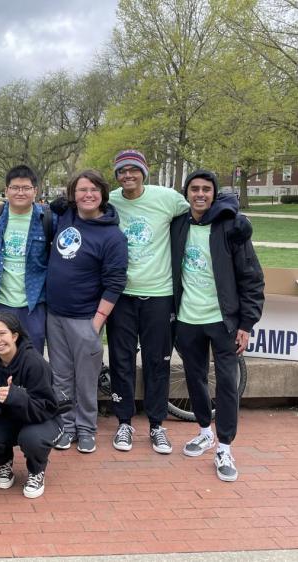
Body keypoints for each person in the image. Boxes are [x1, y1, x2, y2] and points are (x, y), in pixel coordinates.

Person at [171, 170, 264, 482]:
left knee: (226, 383)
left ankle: (225, 446)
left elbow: (251, 278)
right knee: (194, 378)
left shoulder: (230, 227)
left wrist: (247, 323)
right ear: (187, 193)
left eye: (206, 190)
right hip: (187, 319)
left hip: (223, 321)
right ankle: (203, 432)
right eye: (194, 189)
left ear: (214, 193)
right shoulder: (179, 224)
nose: (200, 194)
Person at [106, 149, 189, 454]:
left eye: (133, 170)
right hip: (121, 296)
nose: (128, 175)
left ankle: (156, 425)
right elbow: (72, 203)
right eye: (122, 171)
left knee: (158, 361)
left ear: (144, 171)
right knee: (121, 360)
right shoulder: (110, 200)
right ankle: (124, 423)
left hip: (159, 295)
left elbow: (201, 204)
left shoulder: (166, 198)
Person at [46, 171, 128, 454]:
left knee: (85, 377)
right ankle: (66, 427)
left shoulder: (112, 235)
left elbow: (115, 282)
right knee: (61, 375)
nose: (88, 195)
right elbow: (33, 204)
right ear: (73, 194)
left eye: (93, 189)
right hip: (54, 315)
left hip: (86, 319)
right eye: (82, 190)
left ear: (103, 193)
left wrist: (96, 323)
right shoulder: (66, 215)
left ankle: (86, 428)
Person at [0, 312, 64, 499]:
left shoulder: (34, 362)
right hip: (7, 420)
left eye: (2, 334)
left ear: (15, 335)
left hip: (42, 419)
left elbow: (47, 408)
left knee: (32, 438)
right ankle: (4, 463)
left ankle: (37, 471)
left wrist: (17, 397)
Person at [0, 165, 50, 354]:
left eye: (26, 188)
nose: (20, 192)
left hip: (33, 302)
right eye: (15, 188)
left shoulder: (48, 218)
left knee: (32, 357)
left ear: (35, 191)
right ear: (6, 190)